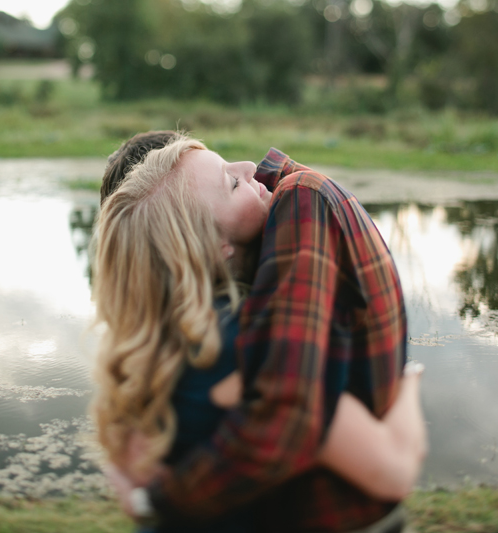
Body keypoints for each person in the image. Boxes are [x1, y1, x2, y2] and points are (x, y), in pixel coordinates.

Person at [93, 133, 425, 532]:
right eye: (231, 183)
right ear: (215, 246)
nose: (251, 167)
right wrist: (407, 382)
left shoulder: (159, 344)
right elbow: (392, 468)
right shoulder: (237, 348)